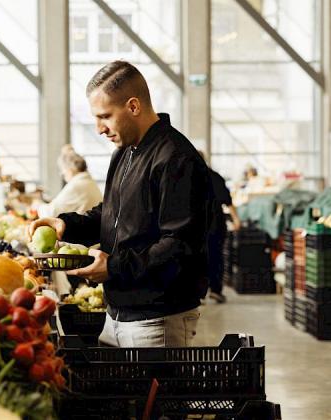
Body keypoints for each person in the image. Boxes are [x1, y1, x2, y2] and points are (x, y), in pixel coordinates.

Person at [28, 61, 210, 348]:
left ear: (134, 106)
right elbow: (113, 214)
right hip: (119, 312)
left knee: (148, 394)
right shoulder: (124, 152)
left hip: (157, 317)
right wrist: (68, 225)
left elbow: (179, 246)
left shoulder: (176, 159)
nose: (99, 129)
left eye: (105, 117)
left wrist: (114, 267)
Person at [200, 151, 240, 304]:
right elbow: (228, 202)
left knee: (197, 259)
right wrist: (236, 220)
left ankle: (200, 293)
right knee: (216, 256)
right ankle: (216, 290)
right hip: (215, 224)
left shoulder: (186, 177)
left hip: (195, 226)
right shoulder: (215, 177)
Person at [37, 145, 103, 217]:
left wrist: (36, 204)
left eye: (63, 172)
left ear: (70, 169)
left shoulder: (76, 185)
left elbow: (50, 213)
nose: (63, 176)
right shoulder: (88, 182)